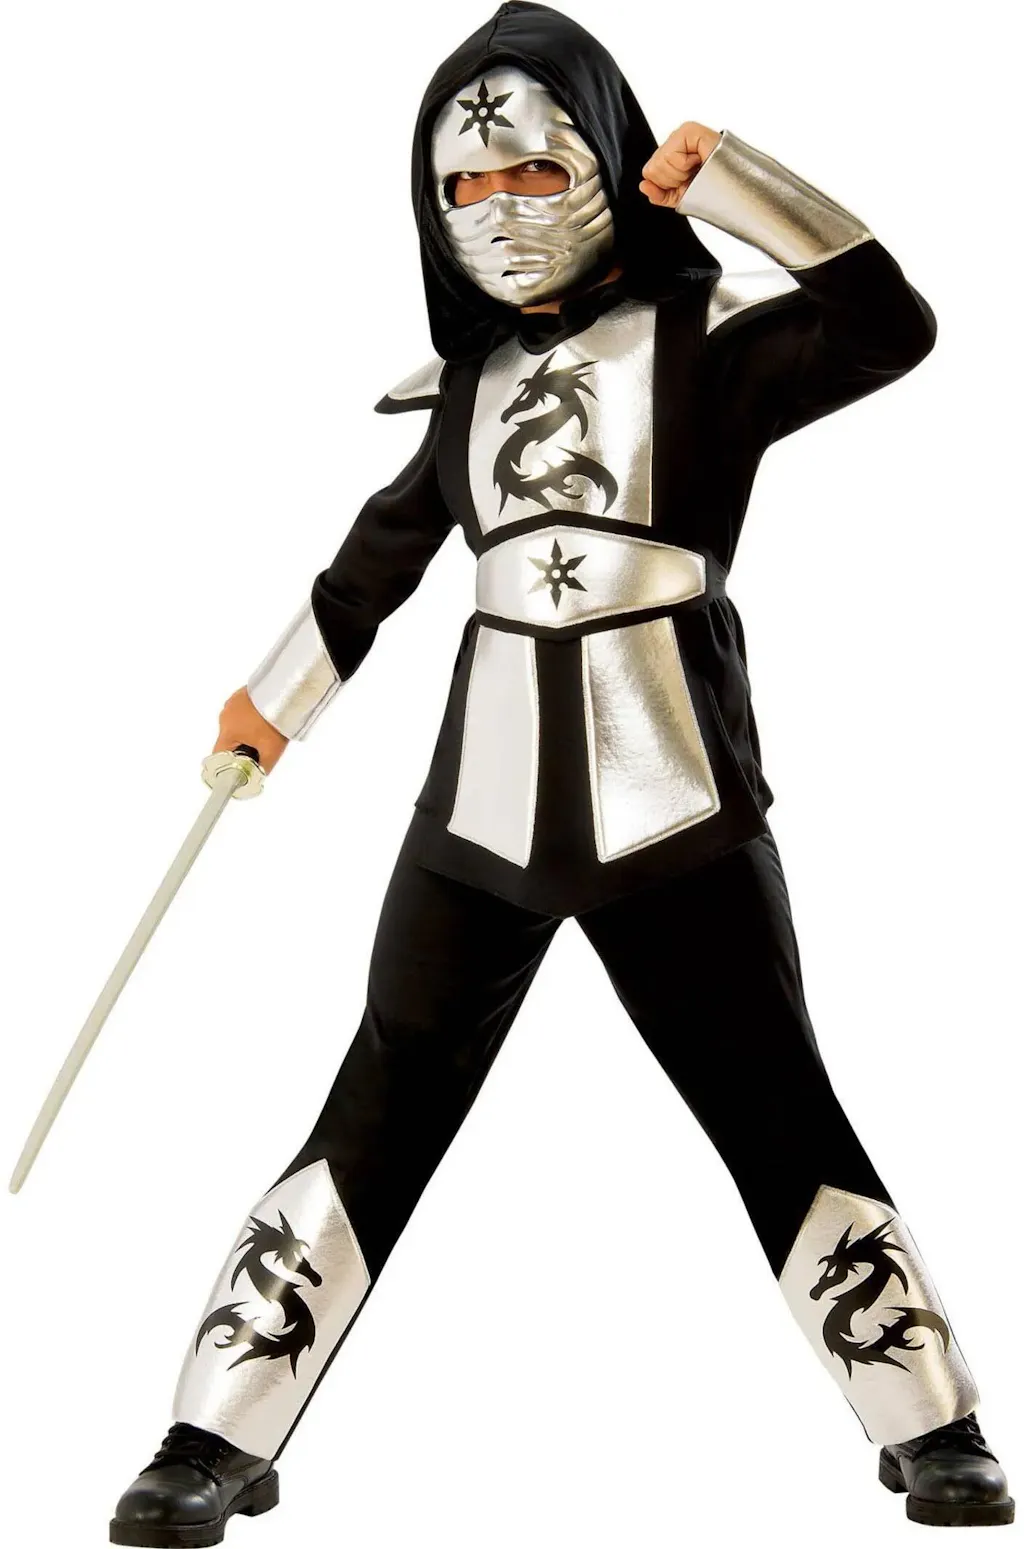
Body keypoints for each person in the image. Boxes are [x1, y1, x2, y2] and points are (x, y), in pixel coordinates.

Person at [109, 3, 1013, 1542]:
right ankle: (214, 1434)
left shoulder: (712, 343)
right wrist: (269, 707)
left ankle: (934, 1426)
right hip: (480, 809)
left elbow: (890, 326)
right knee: (379, 1101)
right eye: (463, 185)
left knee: (773, 1102)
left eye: (532, 170)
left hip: (676, 800)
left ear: (604, 157)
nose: (498, 208)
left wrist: (734, 182)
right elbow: (376, 562)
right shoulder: (462, 388)